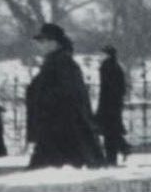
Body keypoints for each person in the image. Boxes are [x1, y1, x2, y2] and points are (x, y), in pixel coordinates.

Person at [25, 24, 102, 169]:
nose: (40, 46)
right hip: (55, 128)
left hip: (60, 128)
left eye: (42, 42)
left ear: (53, 43)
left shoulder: (62, 62)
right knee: (52, 168)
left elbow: (69, 93)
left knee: (49, 169)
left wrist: (45, 103)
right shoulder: (54, 61)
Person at [94, 46, 130, 167]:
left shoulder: (106, 67)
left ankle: (112, 158)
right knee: (112, 131)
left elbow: (106, 89)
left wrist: (102, 106)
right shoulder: (116, 66)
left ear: (107, 55)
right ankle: (121, 149)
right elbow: (120, 87)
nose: (99, 56)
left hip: (107, 105)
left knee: (109, 132)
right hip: (114, 104)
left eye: (102, 54)